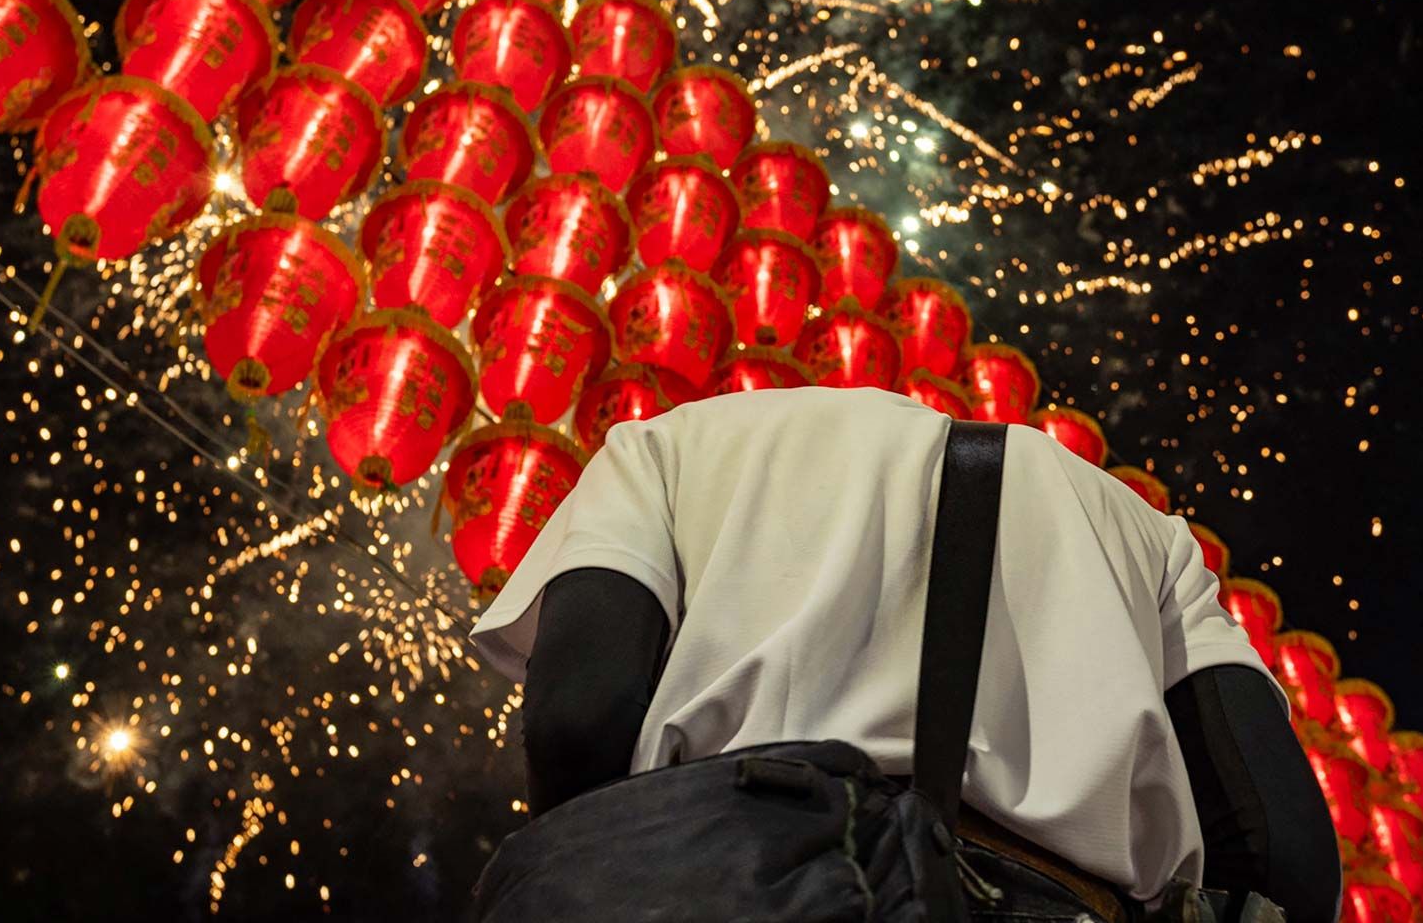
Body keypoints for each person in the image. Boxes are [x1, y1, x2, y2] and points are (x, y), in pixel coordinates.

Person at [470, 386, 1342, 922]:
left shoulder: (664, 448)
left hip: (717, 882)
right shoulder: (1148, 534)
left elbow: (580, 715)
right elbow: (1284, 858)